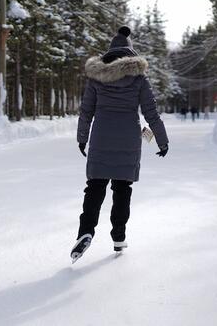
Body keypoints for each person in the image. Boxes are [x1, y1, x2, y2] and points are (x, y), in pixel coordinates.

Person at [72, 26, 169, 262]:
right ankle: (118, 236)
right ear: (130, 54)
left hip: (101, 137)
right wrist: (162, 141)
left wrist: (82, 138)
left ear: (109, 52)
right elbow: (151, 113)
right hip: (128, 138)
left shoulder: (97, 77)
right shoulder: (138, 78)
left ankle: (85, 231)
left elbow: (86, 112)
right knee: (122, 190)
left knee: (95, 187)